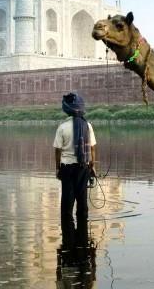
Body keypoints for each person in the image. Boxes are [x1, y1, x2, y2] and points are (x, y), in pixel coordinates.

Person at [53, 92, 97, 244]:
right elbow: (92, 148)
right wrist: (92, 166)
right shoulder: (87, 125)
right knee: (82, 201)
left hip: (67, 168)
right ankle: (82, 239)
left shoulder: (62, 127)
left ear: (66, 109)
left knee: (67, 201)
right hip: (83, 167)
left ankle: (68, 239)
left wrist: (57, 168)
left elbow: (58, 150)